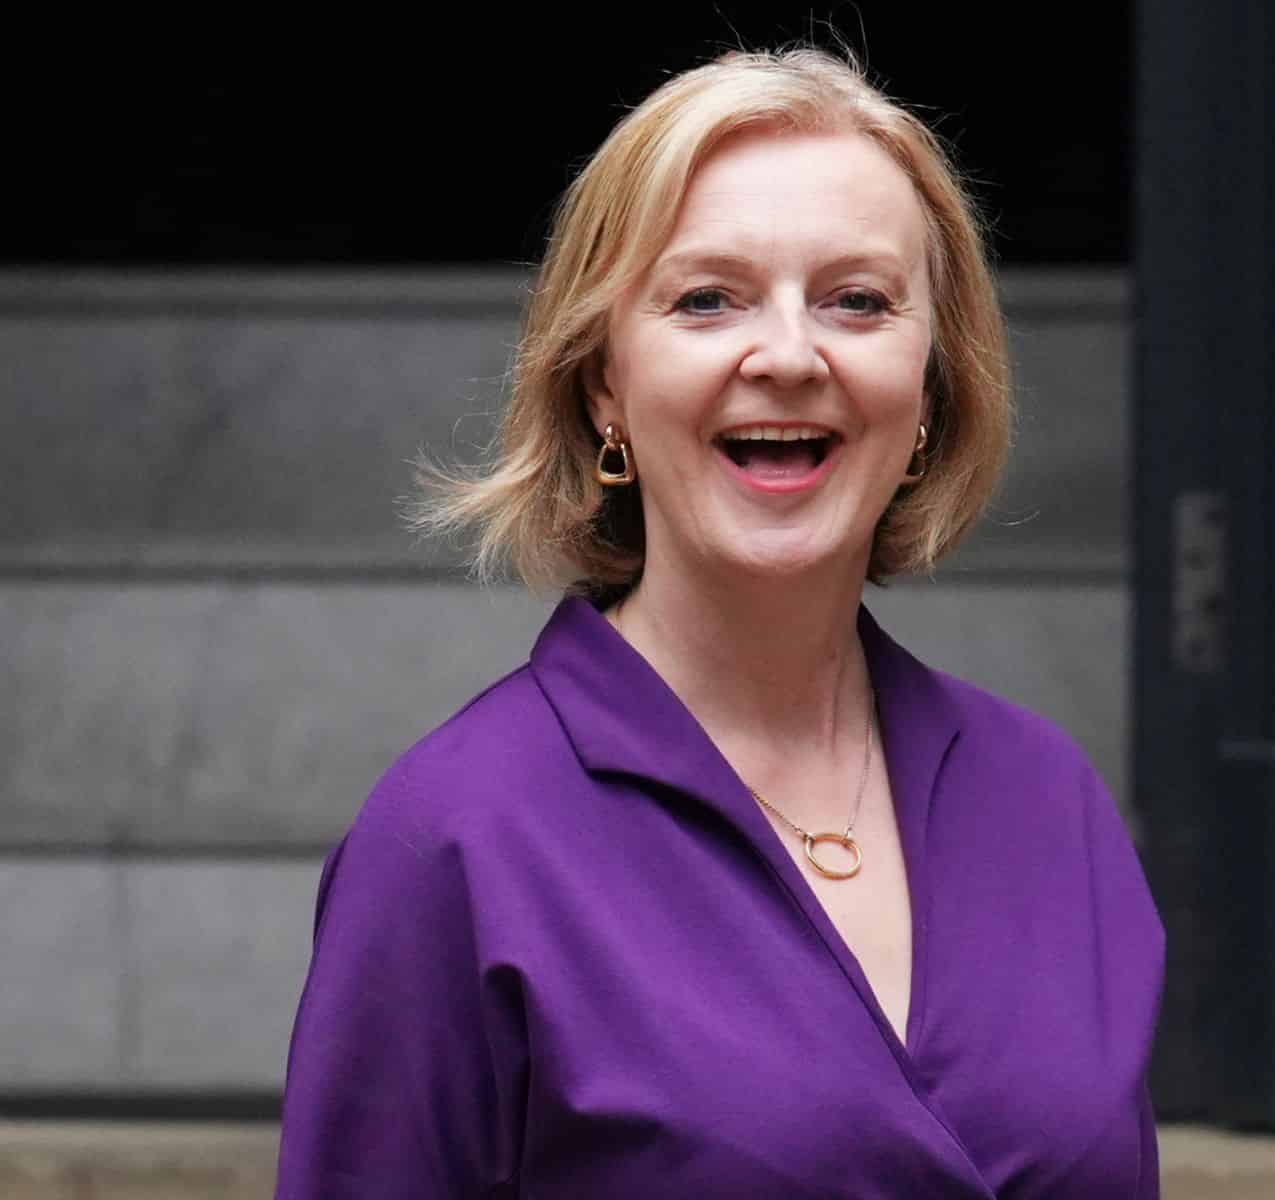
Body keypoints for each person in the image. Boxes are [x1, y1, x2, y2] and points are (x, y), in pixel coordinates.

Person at [274, 47, 1164, 1197]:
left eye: (858, 300)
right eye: (708, 299)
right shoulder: (454, 841)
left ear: (932, 387)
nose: (790, 355)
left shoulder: (1046, 800)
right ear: (604, 384)